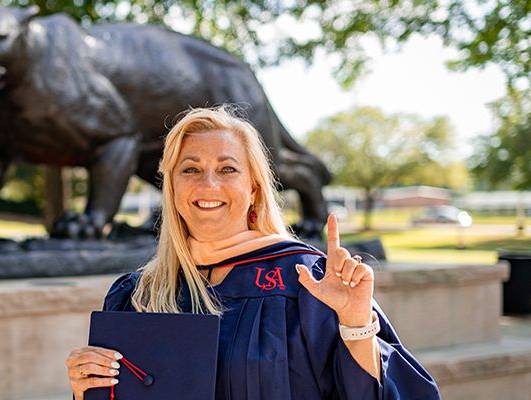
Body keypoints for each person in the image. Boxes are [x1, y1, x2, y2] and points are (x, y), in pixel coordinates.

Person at [65, 106, 440, 400]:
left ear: (255, 189)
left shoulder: (309, 283)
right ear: (172, 188)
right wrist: (90, 389)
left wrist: (356, 323)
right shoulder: (137, 296)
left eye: (227, 169)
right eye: (190, 169)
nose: (207, 184)